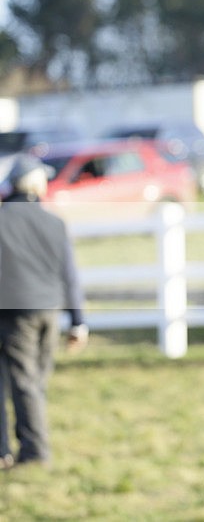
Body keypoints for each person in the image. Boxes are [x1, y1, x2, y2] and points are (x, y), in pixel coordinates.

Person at [0, 153, 88, 468]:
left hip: (15, 312)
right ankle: (29, 448)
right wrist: (78, 322)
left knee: (24, 383)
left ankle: (34, 452)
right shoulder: (54, 222)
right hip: (49, 311)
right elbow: (70, 274)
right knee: (35, 382)